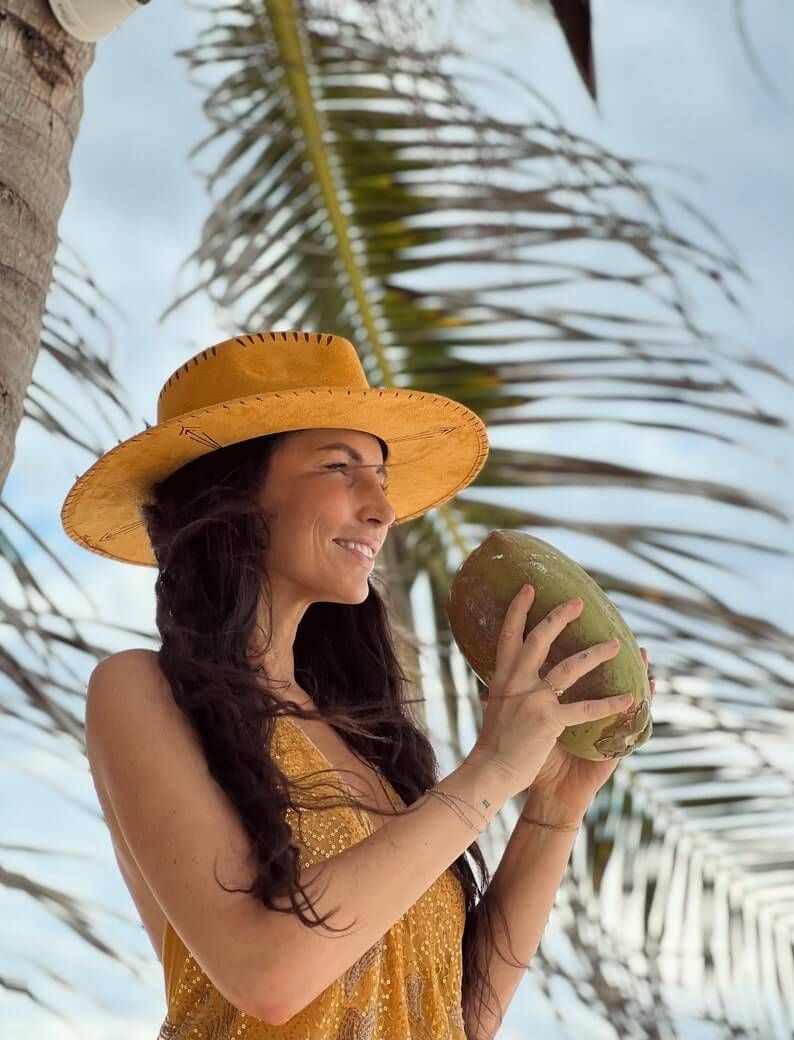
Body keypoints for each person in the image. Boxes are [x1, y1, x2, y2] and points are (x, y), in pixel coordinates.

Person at [61, 329, 637, 1038]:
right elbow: (269, 976)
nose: (382, 507)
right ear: (237, 495)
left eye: (382, 476)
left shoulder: (368, 745)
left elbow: (456, 1017)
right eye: (340, 467)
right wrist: (490, 770)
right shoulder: (138, 691)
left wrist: (552, 807)